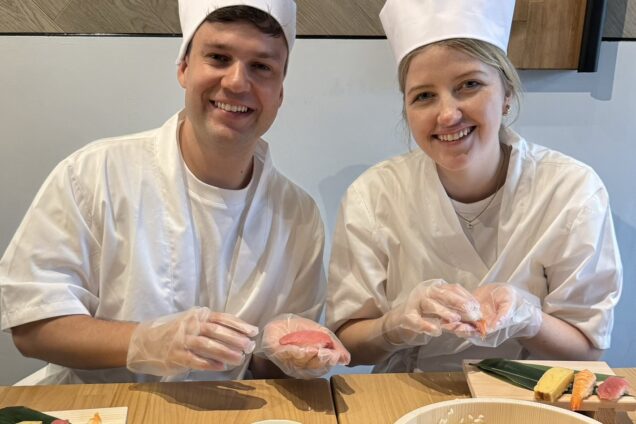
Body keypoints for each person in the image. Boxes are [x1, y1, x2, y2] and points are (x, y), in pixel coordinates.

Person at [0, 0, 349, 384]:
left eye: (262, 67)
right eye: (218, 57)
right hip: (99, 408)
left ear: (279, 92)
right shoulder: (94, 173)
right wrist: (143, 340)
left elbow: (266, 368)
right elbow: (32, 326)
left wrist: (293, 357)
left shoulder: (298, 216)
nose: (236, 82)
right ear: (184, 68)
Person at [326, 0, 622, 373]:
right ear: (407, 110)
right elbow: (351, 343)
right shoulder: (373, 195)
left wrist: (526, 318)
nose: (448, 114)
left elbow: (587, 351)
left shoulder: (570, 191)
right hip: (407, 390)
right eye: (424, 95)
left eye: (469, 85)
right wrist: (395, 324)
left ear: (507, 95)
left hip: (530, 392)